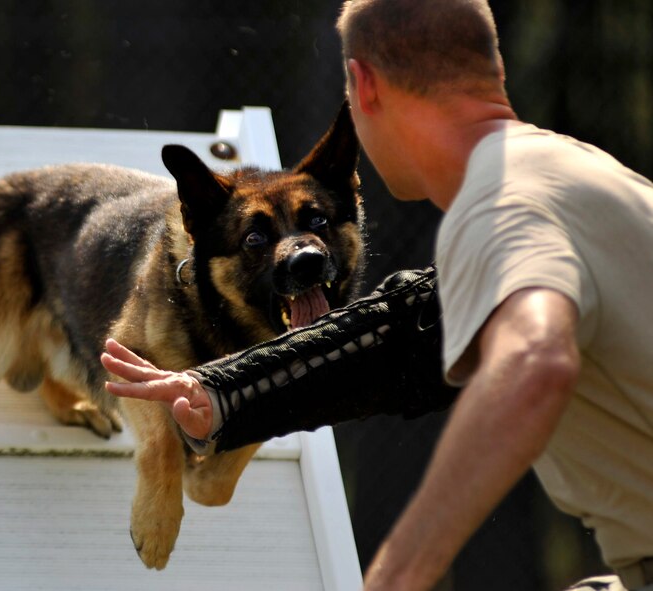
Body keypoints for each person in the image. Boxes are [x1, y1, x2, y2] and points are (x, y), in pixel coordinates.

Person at [101, 1, 653, 589]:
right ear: (492, 68)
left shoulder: (503, 202)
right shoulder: (576, 172)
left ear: (363, 86)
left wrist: (397, 574)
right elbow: (408, 339)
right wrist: (228, 391)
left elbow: (536, 358)